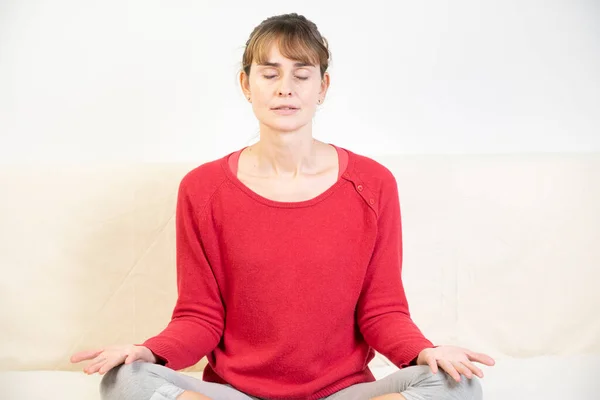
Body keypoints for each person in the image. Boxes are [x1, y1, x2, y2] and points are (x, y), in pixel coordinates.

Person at [71, 13, 495, 400]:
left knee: (459, 384)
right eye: (269, 73)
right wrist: (148, 350)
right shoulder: (202, 190)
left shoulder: (372, 183)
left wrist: (425, 352)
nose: (285, 88)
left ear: (322, 87)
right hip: (236, 393)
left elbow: (382, 310)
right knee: (125, 380)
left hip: (342, 393)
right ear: (246, 85)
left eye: (301, 74)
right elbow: (199, 316)